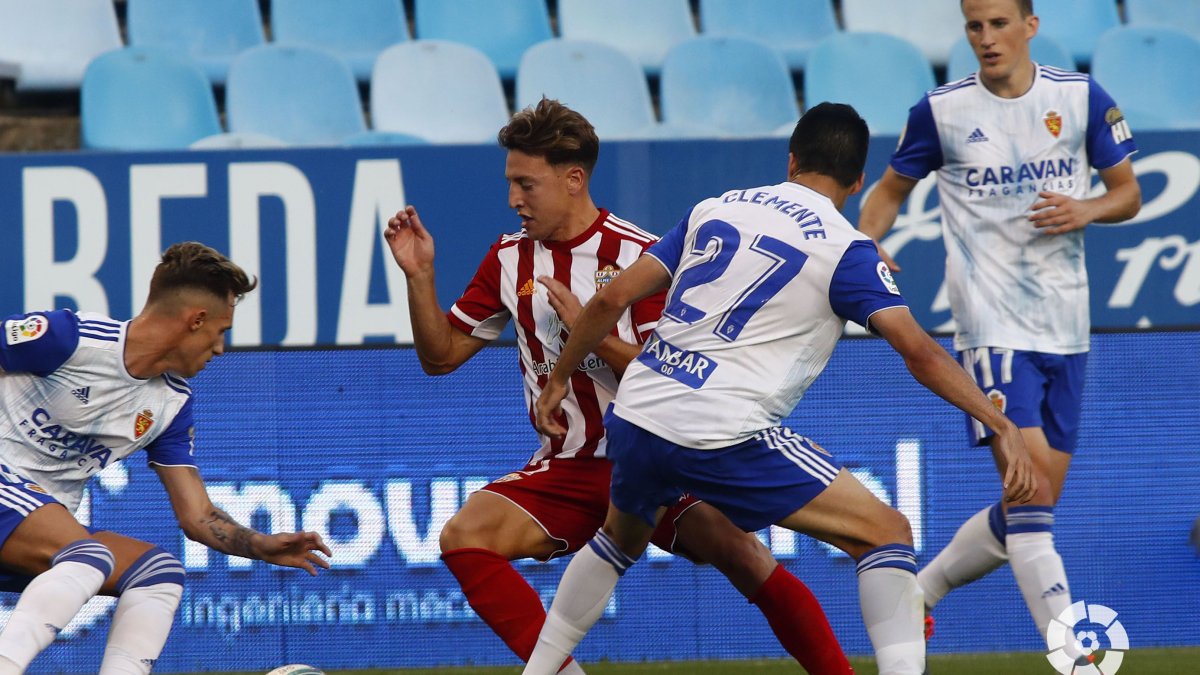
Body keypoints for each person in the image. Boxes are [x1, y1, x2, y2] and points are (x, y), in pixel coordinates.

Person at [521, 102, 1038, 675]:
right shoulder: (845, 249)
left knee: (619, 540)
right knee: (886, 532)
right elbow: (918, 350)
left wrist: (560, 377)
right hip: (721, 429)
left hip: (639, 410)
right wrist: (1001, 423)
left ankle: (538, 670)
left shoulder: (716, 208)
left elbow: (609, 299)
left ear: (791, 160)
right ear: (858, 180)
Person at [384, 98, 853, 674]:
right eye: (510, 184)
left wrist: (590, 326)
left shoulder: (641, 255)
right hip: (570, 465)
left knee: (743, 555)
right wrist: (420, 276)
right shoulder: (509, 259)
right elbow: (440, 358)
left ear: (573, 178)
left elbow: (673, 375)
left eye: (526, 184)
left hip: (654, 451)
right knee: (463, 536)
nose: (513, 200)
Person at [857, 0, 1141, 648]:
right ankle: (1077, 652)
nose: (986, 38)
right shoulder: (943, 111)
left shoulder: (1079, 99)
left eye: (998, 24)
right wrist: (864, 241)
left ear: (1030, 27)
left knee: (1028, 508)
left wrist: (1087, 209)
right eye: (974, 26)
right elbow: (890, 189)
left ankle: (919, 590)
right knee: (1031, 492)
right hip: (988, 323)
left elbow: (1128, 191)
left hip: (1067, 325)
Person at [0, 242, 332, 674]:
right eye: (220, 330)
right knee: (89, 555)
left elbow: (197, 517)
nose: (220, 348)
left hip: (29, 525)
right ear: (195, 320)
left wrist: (259, 545)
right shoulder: (69, 338)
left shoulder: (171, 405)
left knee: (158, 572)